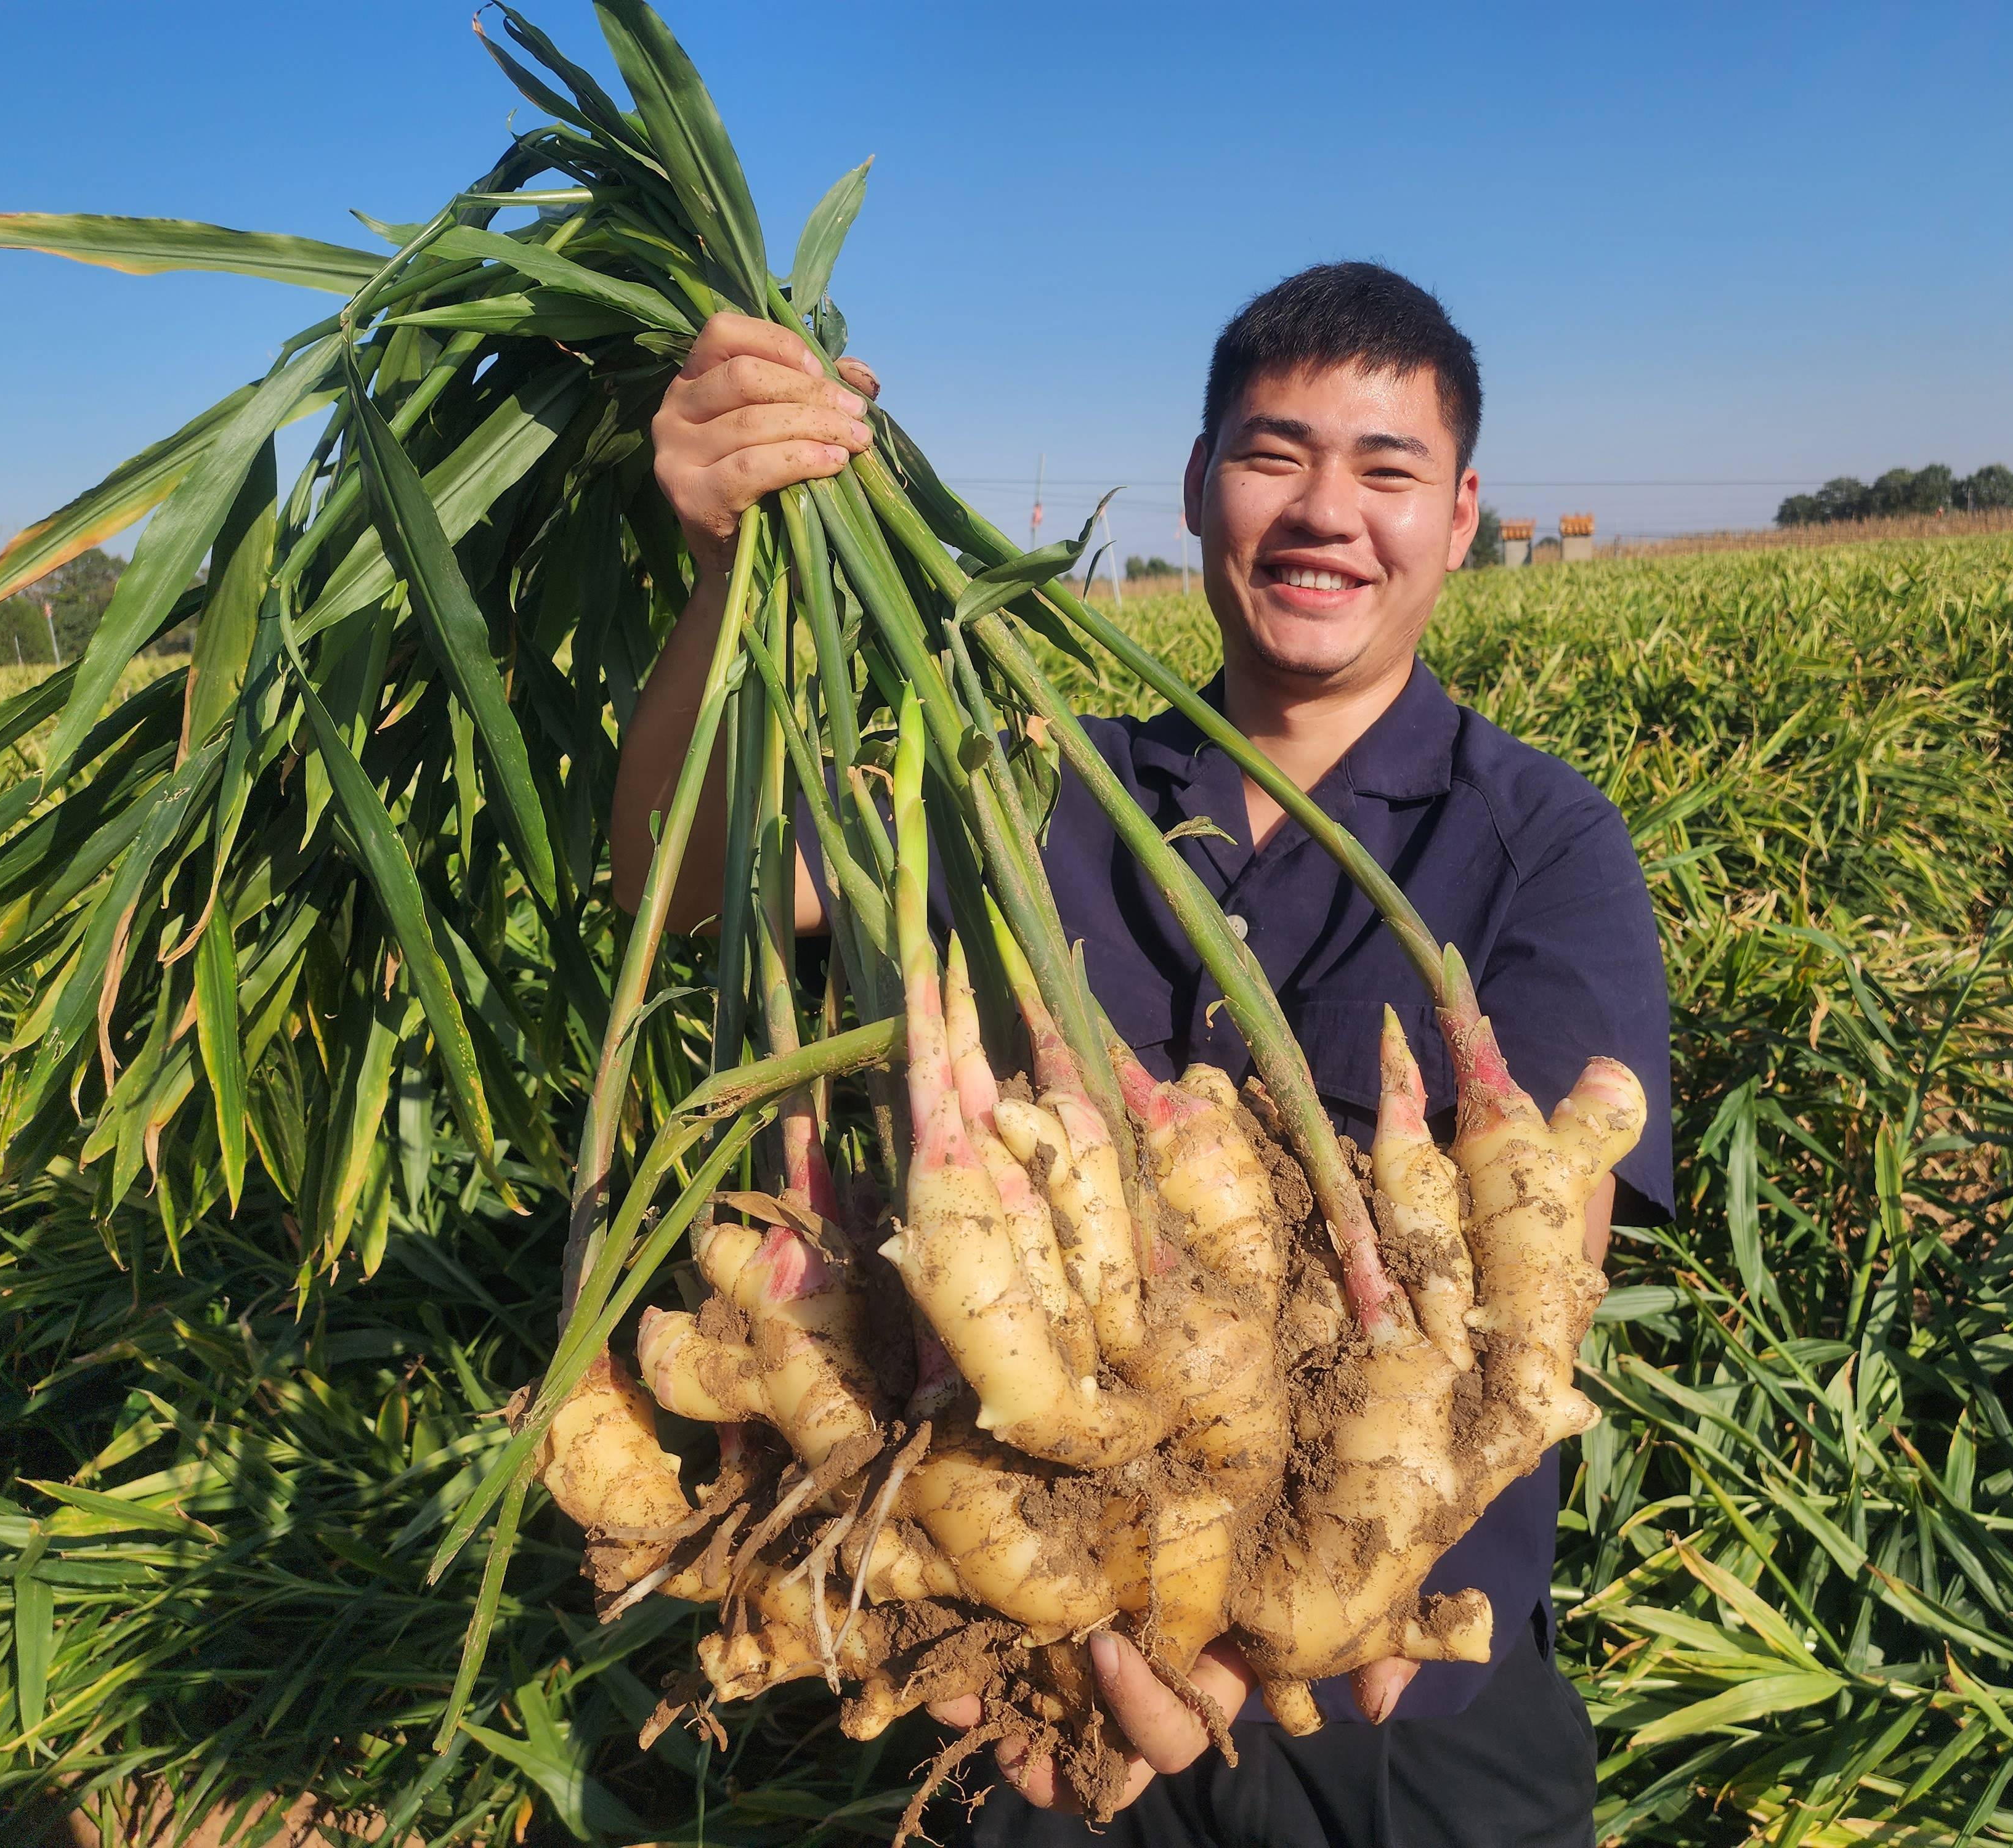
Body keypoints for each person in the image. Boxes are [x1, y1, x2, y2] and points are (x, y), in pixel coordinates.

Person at [611, 262, 1674, 1847]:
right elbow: (677, 884)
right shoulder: (1011, 785)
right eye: (1273, 453)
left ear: (1458, 517)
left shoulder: (1537, 840)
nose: (1326, 511)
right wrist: (723, 567)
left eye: (1385, 470)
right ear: (1195, 490)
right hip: (1038, 1660)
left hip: (1387, 1672)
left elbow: (1529, 1267)